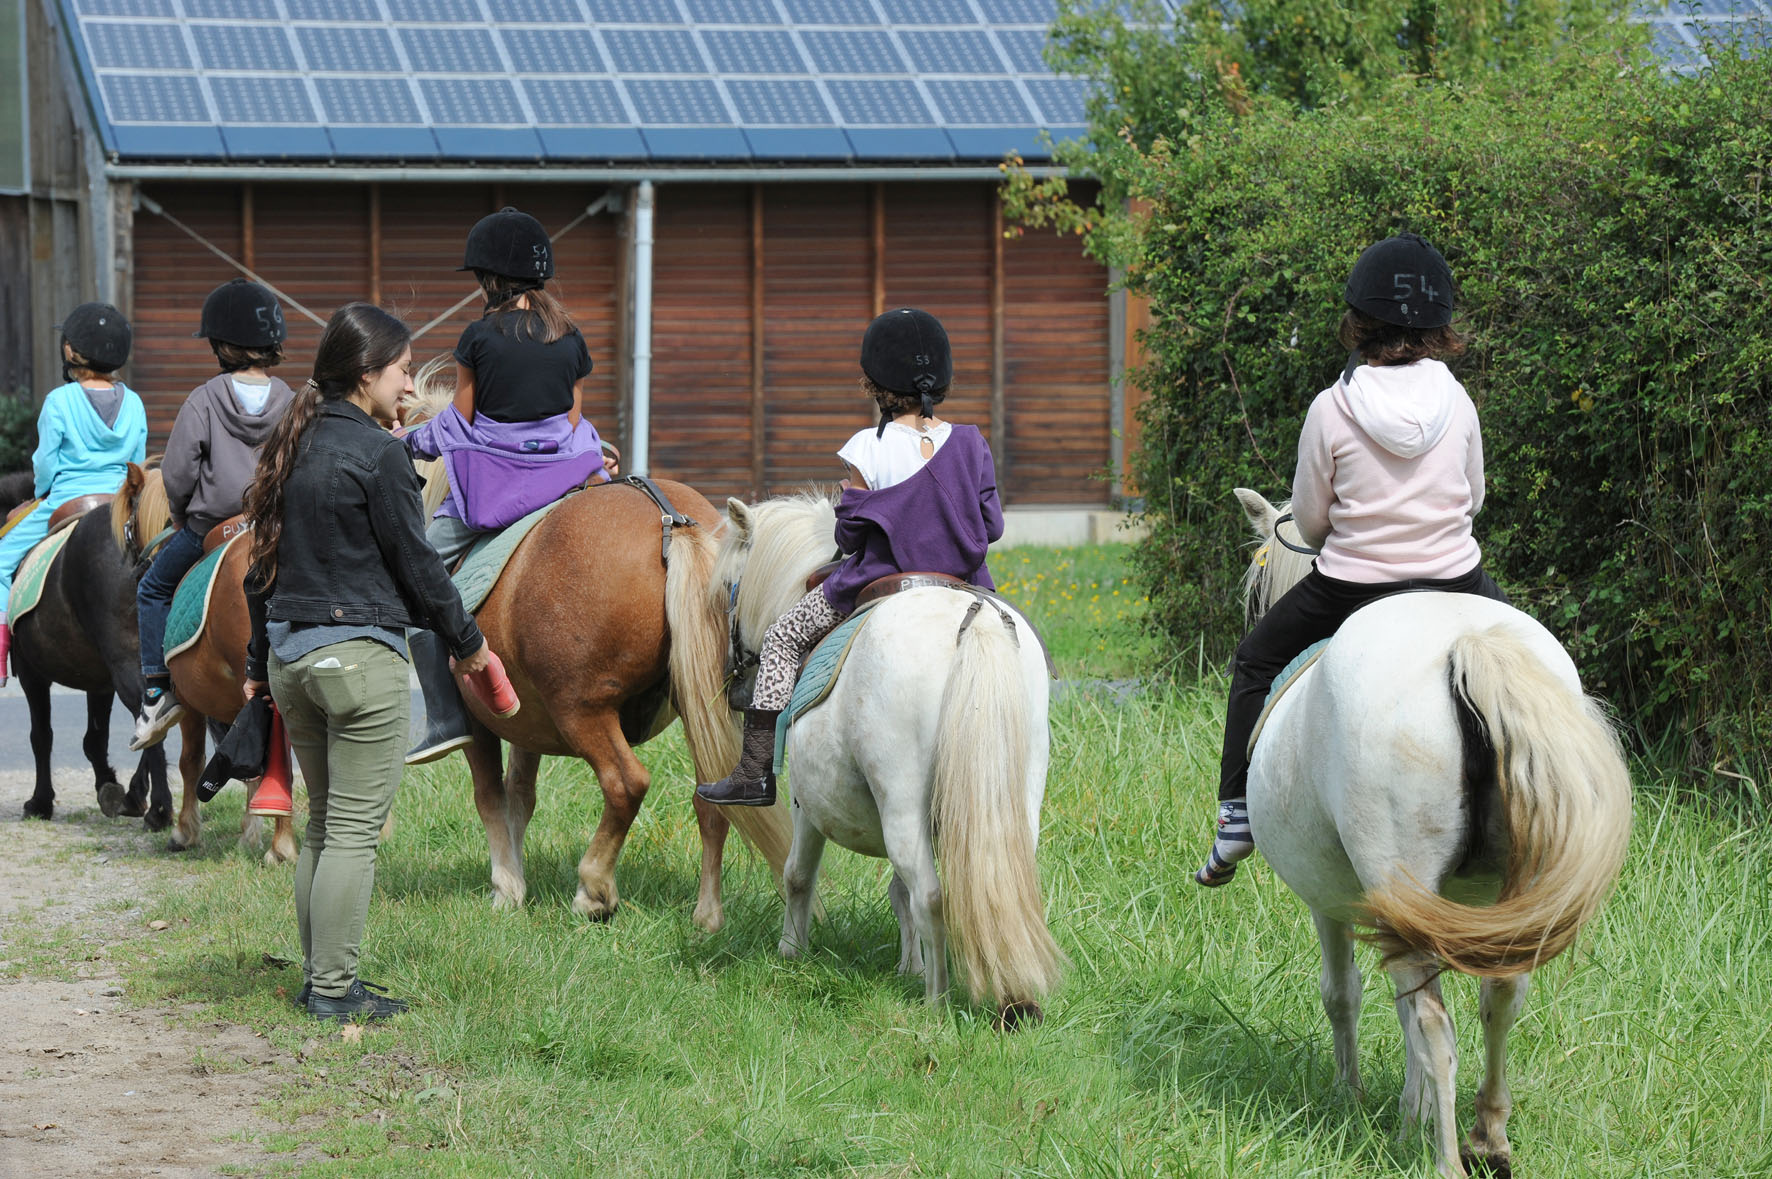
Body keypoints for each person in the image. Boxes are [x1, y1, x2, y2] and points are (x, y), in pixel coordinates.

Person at [1196, 233, 1508, 888]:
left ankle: (1236, 814)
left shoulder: (1332, 408)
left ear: (1358, 323)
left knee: (1255, 659)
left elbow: (1310, 522)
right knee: (1531, 661)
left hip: (1353, 587)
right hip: (1456, 578)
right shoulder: (1458, 402)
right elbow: (1474, 496)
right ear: (1438, 328)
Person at [241, 302, 493, 1021]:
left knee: (323, 826)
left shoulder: (292, 443)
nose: (411, 387)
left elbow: (262, 568)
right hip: (358, 661)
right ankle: (332, 990)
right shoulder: (381, 454)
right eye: (404, 370)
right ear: (366, 373)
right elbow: (418, 564)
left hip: (293, 658)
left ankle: (318, 976)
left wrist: (260, 658)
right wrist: (468, 643)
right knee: (352, 831)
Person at [698, 307, 1004, 808]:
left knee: (783, 636)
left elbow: (851, 535)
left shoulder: (866, 447)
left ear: (877, 385)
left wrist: (857, 503)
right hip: (963, 584)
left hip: (883, 578)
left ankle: (755, 772)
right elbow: (991, 526)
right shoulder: (972, 442)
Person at [400, 206, 607, 764]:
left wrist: (409, 443)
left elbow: (460, 423)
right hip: (564, 482)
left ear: (491, 280)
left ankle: (445, 720)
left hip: (490, 494)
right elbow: (569, 424)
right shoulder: (570, 337)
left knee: (418, 576)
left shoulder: (477, 337)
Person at [131, 279, 295, 748]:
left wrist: (182, 515)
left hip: (212, 527)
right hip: (272, 526)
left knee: (153, 587)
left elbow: (179, 473)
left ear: (222, 345)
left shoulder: (203, 399)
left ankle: (158, 689)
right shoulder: (290, 399)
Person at [0, 303, 147, 687]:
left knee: (0, 560)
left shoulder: (59, 401)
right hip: (119, 505)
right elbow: (137, 463)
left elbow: (46, 464)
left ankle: (0, 652)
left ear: (69, 351)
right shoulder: (133, 402)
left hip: (67, 500)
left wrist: (41, 493)